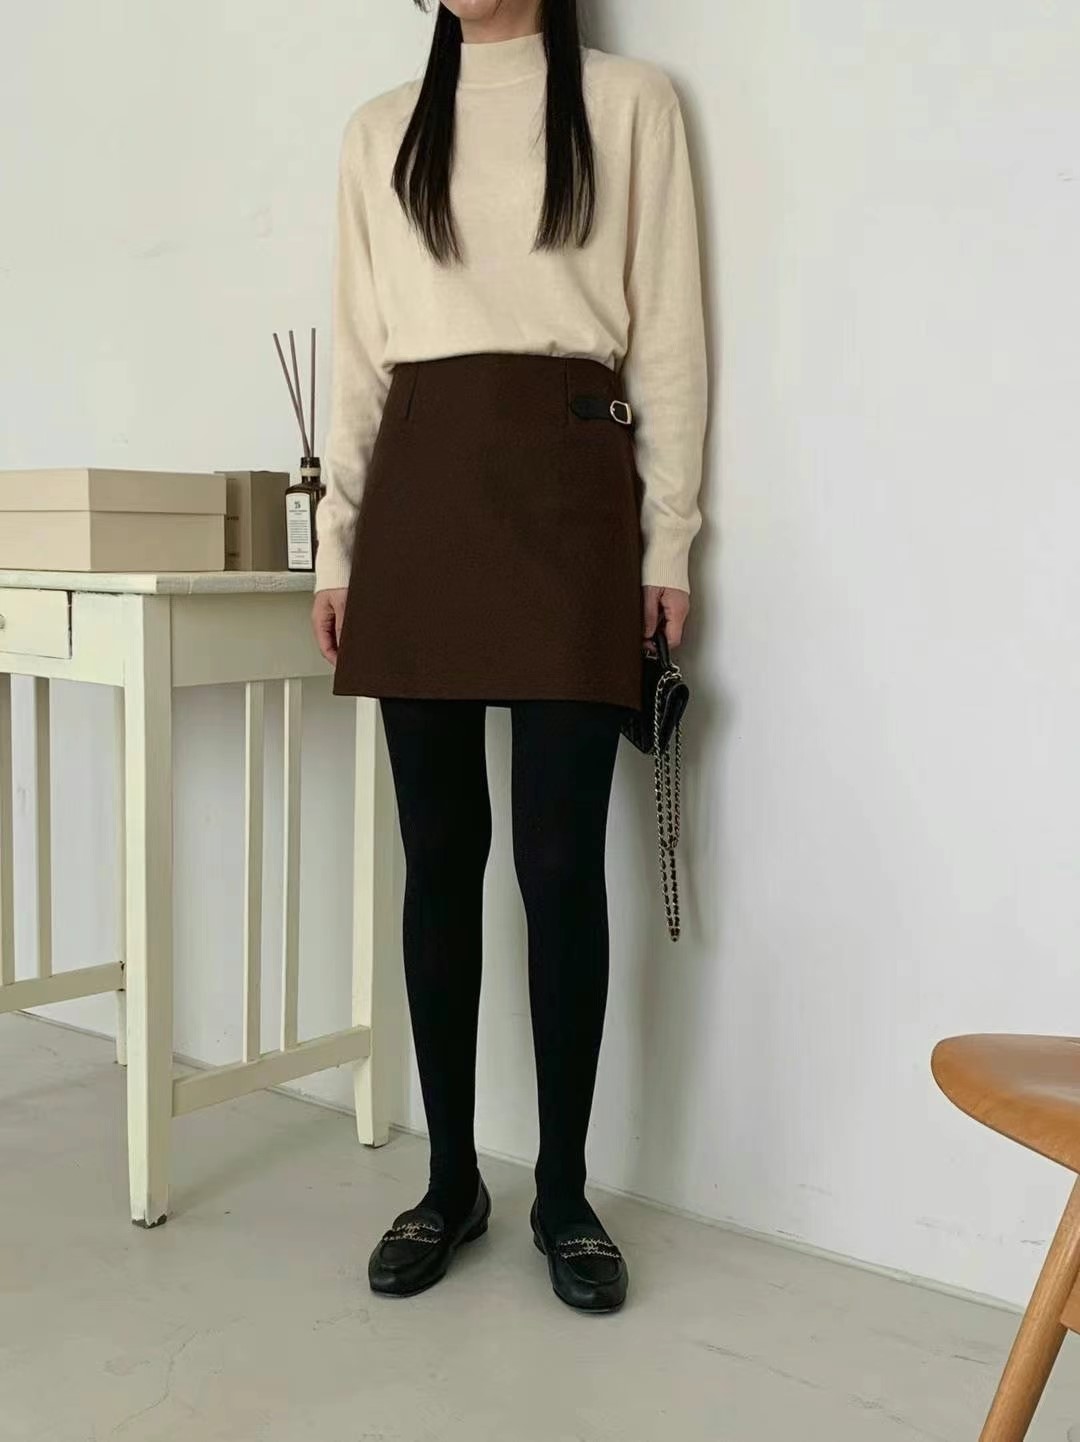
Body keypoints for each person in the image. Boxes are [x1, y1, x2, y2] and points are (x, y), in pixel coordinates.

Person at [311, 0, 707, 1313]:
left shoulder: (630, 105)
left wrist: (669, 540)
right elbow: (358, 356)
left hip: (571, 492)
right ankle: (450, 1182)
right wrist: (336, 550)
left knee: (557, 865)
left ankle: (566, 1193)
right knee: (440, 860)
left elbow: (669, 336)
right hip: (419, 497)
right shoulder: (380, 130)